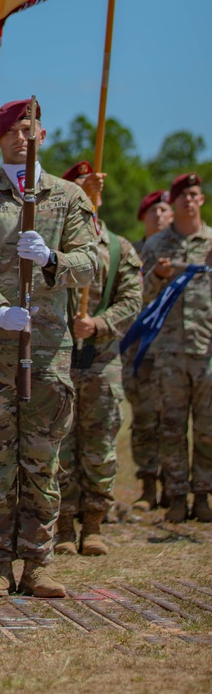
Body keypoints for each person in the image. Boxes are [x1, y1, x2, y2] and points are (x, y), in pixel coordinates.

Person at [0, 99, 100, 599]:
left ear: (44, 134)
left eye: (29, 128)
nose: (21, 136)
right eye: (11, 130)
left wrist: (53, 259)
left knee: (41, 460)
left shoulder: (68, 197)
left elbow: (90, 262)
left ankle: (37, 563)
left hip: (49, 348)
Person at [55, 162, 142, 556]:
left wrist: (100, 323)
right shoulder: (53, 248)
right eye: (79, 188)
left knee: (100, 445)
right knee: (58, 445)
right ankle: (62, 523)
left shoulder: (120, 247)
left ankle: (93, 522)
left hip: (101, 361)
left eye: (91, 189)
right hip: (59, 359)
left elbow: (132, 299)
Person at [140, 173, 212, 524]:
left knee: (208, 428)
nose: (188, 200)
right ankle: (177, 497)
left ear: (201, 200)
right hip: (167, 351)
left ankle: (203, 496)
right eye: (182, 195)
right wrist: (156, 276)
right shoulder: (156, 246)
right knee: (170, 426)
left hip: (207, 349)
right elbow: (140, 297)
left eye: (194, 194)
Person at [122, 189, 173, 509]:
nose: (159, 215)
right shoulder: (133, 253)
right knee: (143, 418)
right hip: (140, 350)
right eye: (152, 211)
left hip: (174, 349)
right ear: (142, 217)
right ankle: (148, 485)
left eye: (165, 209)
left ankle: (175, 484)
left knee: (174, 419)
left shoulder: (187, 251)